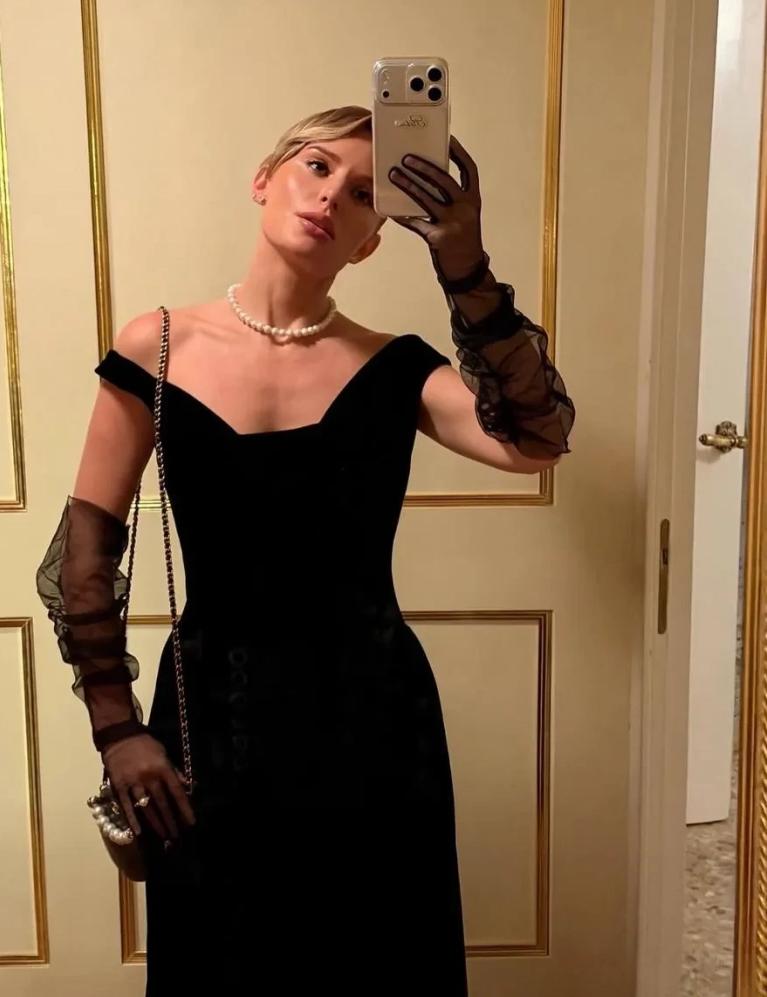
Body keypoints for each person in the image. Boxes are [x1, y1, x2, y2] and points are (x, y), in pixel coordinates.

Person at [36, 105, 573, 995]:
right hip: (211, 716)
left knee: (375, 963)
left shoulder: (397, 366)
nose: (330, 196)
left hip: (376, 719)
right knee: (221, 964)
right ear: (265, 179)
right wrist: (117, 729)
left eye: (363, 193)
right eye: (317, 167)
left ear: (372, 241)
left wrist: (464, 261)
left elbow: (537, 437)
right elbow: (86, 552)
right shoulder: (156, 345)